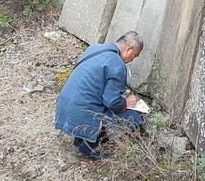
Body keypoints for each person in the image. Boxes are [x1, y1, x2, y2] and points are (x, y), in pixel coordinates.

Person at [55, 31, 145, 159]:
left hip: (64, 107)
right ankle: (89, 144)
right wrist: (126, 103)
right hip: (80, 114)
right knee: (135, 116)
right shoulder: (117, 65)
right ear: (129, 49)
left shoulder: (94, 48)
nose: (132, 60)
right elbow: (112, 102)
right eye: (135, 56)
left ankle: (82, 136)